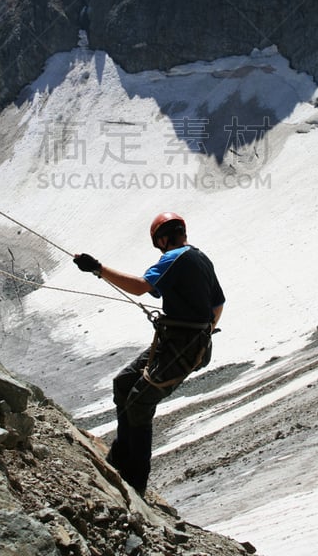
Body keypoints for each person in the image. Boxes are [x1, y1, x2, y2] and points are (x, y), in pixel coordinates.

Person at [74, 212, 225, 495]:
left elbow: (141, 287)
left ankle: (135, 482)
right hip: (183, 343)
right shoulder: (201, 258)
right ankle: (120, 457)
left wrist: (98, 268)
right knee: (124, 383)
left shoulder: (174, 258)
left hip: (180, 344)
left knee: (140, 403)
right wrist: (203, 333)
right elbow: (218, 303)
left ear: (162, 240)